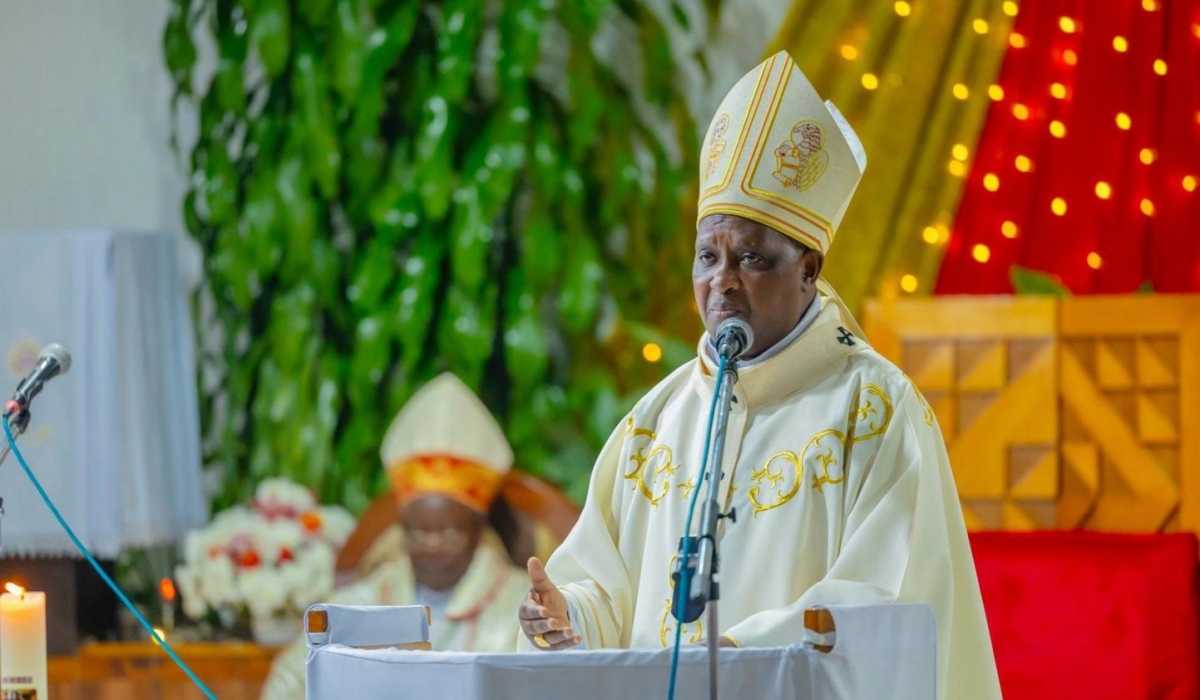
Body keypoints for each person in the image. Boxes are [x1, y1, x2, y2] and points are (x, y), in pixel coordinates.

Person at [516, 51, 1002, 700]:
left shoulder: (876, 411)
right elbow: (609, 592)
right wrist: (566, 617)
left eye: (752, 257)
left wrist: (743, 656)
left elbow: (883, 604)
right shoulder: (656, 423)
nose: (723, 282)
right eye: (707, 257)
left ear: (808, 269)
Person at [262, 373, 529, 699]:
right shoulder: (362, 604)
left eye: (448, 533)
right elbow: (288, 681)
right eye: (418, 533)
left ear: (477, 530)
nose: (432, 547)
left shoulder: (524, 609)